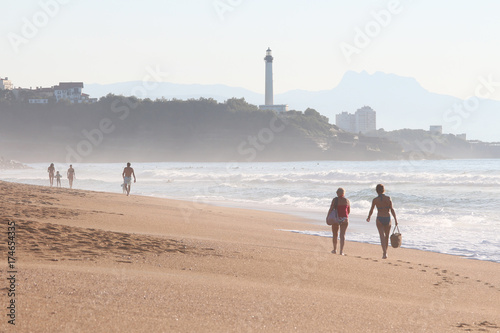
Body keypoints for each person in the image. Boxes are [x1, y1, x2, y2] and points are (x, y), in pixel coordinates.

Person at [367, 184, 398, 259]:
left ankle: (384, 253)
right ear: (384, 190)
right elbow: (392, 209)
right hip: (387, 218)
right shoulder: (388, 198)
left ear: (376, 191)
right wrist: (396, 219)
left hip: (379, 218)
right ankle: (385, 252)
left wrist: (369, 217)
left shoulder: (375, 200)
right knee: (386, 236)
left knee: (381, 236)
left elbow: (371, 210)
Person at [326, 187, 350, 255]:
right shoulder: (347, 200)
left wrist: (328, 216)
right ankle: (341, 251)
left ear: (337, 193)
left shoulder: (335, 200)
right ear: (343, 193)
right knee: (342, 235)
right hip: (344, 219)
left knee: (335, 234)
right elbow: (348, 211)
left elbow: (331, 208)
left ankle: (334, 249)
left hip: (336, 218)